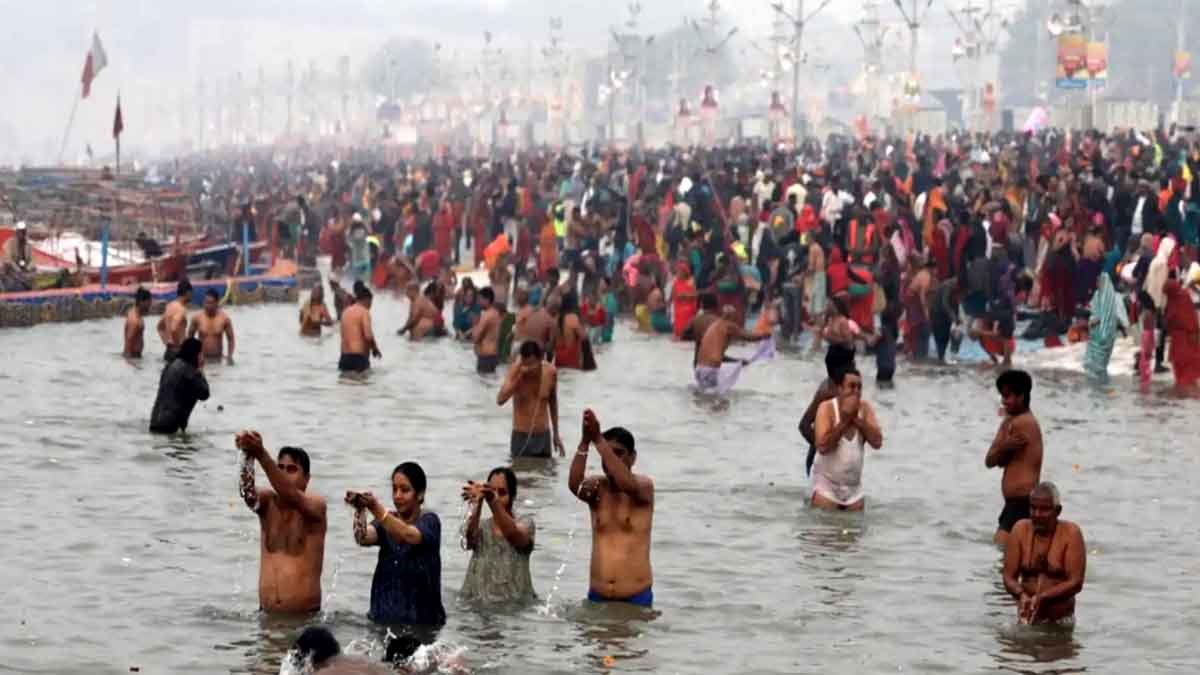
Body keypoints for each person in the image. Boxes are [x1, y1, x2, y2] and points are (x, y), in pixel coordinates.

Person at [568, 410, 655, 607]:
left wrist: (599, 440)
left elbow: (626, 484)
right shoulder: (598, 489)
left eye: (619, 453)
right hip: (597, 595)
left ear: (633, 457)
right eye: (608, 453)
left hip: (635, 597)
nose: (610, 459)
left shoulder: (643, 487)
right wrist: (585, 441)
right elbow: (575, 485)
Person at [236, 431, 327, 613]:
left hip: (304, 620)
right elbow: (248, 494)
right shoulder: (268, 502)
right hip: (266, 617)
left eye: (291, 470)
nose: (284, 474)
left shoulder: (315, 506)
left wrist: (261, 453)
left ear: (307, 479)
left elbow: (291, 495)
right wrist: (247, 454)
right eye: (280, 468)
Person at [347, 462, 446, 628]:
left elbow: (408, 535)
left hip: (422, 622)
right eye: (394, 489)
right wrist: (360, 510)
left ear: (420, 495)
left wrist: (375, 507)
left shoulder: (430, 521)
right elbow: (363, 537)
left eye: (405, 490)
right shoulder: (387, 520)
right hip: (383, 616)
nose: (397, 496)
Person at [1001, 482, 1086, 625]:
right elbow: (1008, 577)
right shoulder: (1019, 529)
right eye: (1033, 508)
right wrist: (1021, 595)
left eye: (1044, 509)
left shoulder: (1071, 534)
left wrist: (1043, 597)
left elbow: (1076, 582)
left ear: (1057, 511)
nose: (1036, 514)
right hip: (1026, 622)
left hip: (1059, 624)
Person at [459, 467, 537, 604]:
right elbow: (469, 542)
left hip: (514, 609)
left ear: (512, 496)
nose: (496, 497)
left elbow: (513, 535)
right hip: (477, 605)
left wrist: (492, 500)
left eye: (502, 493)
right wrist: (478, 503)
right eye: (492, 491)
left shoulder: (526, 524)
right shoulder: (481, 527)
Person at [986, 369, 1044, 548]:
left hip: (1022, 502)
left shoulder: (1022, 423)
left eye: (1008, 396)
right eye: (1002, 396)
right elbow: (992, 460)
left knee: (1002, 552)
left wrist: (1002, 447)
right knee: (1005, 555)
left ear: (1021, 396)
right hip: (1014, 504)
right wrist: (1004, 447)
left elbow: (993, 458)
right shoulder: (1011, 422)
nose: (1004, 401)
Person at [811, 366, 883, 510]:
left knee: (856, 530)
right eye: (851, 386)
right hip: (826, 486)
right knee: (824, 530)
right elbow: (823, 446)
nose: (856, 392)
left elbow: (877, 442)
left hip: (854, 491)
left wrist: (856, 419)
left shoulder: (865, 409)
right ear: (839, 389)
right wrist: (844, 421)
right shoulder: (826, 408)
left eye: (859, 387)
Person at [497, 340, 563, 458]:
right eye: (525, 364)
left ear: (540, 359)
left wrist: (556, 434)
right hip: (521, 436)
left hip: (543, 436)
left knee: (544, 475)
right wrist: (519, 377)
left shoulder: (550, 372)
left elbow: (553, 403)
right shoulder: (515, 371)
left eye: (531, 364)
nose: (528, 368)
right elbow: (500, 399)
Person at [798, 346, 856, 477]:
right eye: (851, 363)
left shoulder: (847, 389)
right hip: (821, 463)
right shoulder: (827, 392)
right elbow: (804, 425)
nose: (854, 366)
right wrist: (825, 447)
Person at [694, 305, 771, 394]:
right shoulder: (728, 326)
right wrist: (763, 336)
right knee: (719, 404)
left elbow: (717, 356)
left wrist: (737, 361)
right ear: (732, 316)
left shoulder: (714, 326)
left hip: (699, 370)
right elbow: (748, 337)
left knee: (704, 400)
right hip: (710, 371)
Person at [148, 337, 209, 434]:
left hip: (155, 421)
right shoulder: (189, 370)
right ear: (195, 354)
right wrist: (201, 370)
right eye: (201, 353)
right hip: (171, 425)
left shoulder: (169, 366)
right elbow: (204, 394)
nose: (203, 356)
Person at [1082, 273, 1129, 382]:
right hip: (1095, 333)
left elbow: (1116, 314)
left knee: (1101, 362)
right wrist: (1092, 320)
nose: (1097, 283)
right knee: (1091, 362)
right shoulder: (1097, 295)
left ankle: (1101, 381)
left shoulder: (1111, 297)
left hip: (1107, 333)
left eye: (1099, 281)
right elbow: (1093, 310)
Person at [1163, 270, 1200, 392]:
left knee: (1186, 369)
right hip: (1179, 339)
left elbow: (1189, 319)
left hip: (1186, 339)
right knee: (1180, 367)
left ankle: (1186, 395)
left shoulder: (1182, 298)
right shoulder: (1174, 298)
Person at [339, 282, 381, 373]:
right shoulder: (364, 312)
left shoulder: (345, 312)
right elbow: (368, 335)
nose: (370, 306)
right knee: (362, 385)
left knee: (345, 384)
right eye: (371, 302)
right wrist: (375, 349)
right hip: (358, 358)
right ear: (367, 300)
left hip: (344, 358)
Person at [188, 288, 236, 362]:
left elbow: (231, 339)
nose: (208, 305)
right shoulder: (197, 318)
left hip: (218, 358)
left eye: (211, 303)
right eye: (206, 302)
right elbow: (190, 338)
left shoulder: (224, 319)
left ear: (217, 303)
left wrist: (230, 356)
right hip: (202, 359)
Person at [156, 279, 192, 361]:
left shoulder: (169, 306)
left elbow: (160, 327)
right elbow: (174, 329)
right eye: (191, 293)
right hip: (177, 351)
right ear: (188, 292)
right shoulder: (181, 309)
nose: (191, 296)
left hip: (169, 351)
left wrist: (167, 343)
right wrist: (179, 347)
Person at [467, 287, 501, 374]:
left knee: (482, 385)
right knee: (488, 384)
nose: (478, 302)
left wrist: (474, 324)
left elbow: (476, 337)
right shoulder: (495, 313)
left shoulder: (486, 315)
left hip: (486, 356)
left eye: (480, 299)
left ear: (487, 300)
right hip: (493, 354)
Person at [553, 293, 586, 369]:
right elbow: (584, 337)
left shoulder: (554, 318)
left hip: (557, 358)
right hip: (571, 358)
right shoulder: (572, 318)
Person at [123, 287, 153, 358]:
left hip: (136, 356)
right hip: (132, 357)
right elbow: (129, 343)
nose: (150, 305)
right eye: (149, 302)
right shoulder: (135, 320)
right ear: (141, 302)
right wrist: (131, 363)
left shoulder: (137, 315)